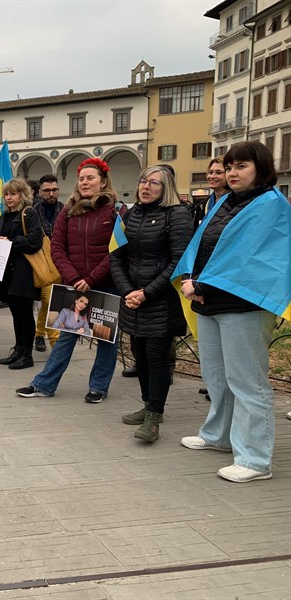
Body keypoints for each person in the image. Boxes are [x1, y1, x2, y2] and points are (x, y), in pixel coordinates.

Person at [179, 141, 289, 482]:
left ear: (260, 168)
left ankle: (255, 459)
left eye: (240, 166)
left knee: (248, 382)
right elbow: (203, 245)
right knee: (217, 376)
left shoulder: (271, 204)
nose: (231, 173)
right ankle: (218, 435)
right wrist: (189, 277)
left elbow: (249, 257)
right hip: (211, 301)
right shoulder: (226, 201)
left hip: (245, 303)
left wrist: (200, 286)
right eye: (229, 167)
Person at [16, 157, 122, 402]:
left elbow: (117, 250)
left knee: (105, 338)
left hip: (105, 283)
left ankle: (98, 387)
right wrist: (74, 277)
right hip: (73, 284)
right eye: (81, 178)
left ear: (103, 181)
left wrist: (92, 278)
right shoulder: (69, 209)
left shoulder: (115, 209)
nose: (84, 182)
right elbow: (57, 247)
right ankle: (44, 384)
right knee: (66, 336)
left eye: (90, 178)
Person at [110, 166, 193, 442]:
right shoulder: (129, 214)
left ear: (166, 187)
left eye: (153, 183)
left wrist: (146, 293)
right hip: (132, 299)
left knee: (157, 358)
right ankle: (148, 404)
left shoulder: (178, 214)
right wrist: (127, 291)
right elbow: (116, 256)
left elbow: (178, 262)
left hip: (159, 301)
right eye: (143, 181)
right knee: (140, 355)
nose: (145, 187)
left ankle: (154, 416)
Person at [0, 179, 43, 369]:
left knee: (24, 313)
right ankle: (18, 349)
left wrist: (10, 242)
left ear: (22, 195)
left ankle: (27, 354)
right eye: (6, 194)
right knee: (16, 312)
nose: (9, 198)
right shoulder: (4, 216)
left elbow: (34, 241)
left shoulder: (29, 213)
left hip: (23, 272)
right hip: (8, 271)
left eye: (13, 194)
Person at [32, 174, 63, 352]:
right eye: (47, 191)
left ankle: (39, 333)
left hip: (61, 262)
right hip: (42, 262)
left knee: (51, 301)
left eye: (54, 190)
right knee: (49, 299)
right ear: (40, 192)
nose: (51, 194)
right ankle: (55, 342)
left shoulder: (65, 210)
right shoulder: (33, 211)